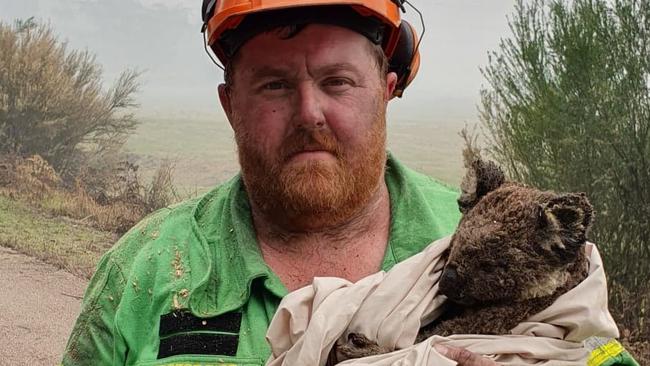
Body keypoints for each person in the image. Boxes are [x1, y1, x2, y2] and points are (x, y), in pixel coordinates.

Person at [61, 1, 636, 365]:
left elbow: (598, 350)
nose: (309, 112)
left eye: (337, 82)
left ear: (387, 89)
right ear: (229, 104)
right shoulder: (145, 272)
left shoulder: (495, 241)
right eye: (274, 86)